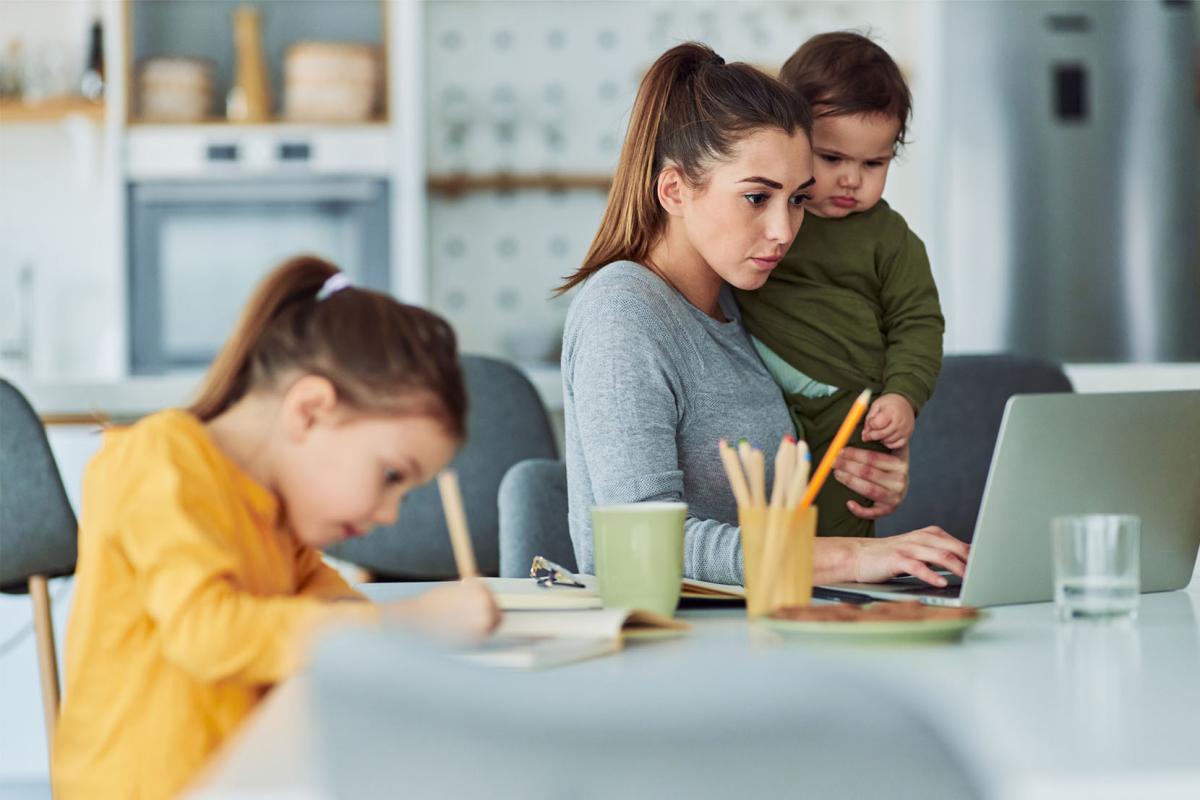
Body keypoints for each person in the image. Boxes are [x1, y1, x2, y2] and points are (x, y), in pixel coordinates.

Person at [53, 256, 500, 799]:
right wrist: (413, 619)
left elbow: (336, 614)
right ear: (309, 411)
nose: (388, 514)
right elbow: (209, 635)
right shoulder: (160, 460)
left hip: (243, 780)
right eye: (390, 476)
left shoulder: (276, 517)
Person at [558, 42, 967, 587]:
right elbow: (639, 541)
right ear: (674, 189)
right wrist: (847, 558)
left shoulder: (745, 301)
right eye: (757, 197)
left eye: (798, 200)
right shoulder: (624, 314)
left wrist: (867, 471)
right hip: (675, 647)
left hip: (771, 622)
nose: (783, 231)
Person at [735, 32, 945, 538]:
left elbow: (918, 323)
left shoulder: (890, 239)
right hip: (764, 393)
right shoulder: (761, 218)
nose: (852, 180)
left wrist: (903, 396)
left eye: (874, 164)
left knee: (837, 531)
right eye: (832, 159)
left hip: (847, 406)